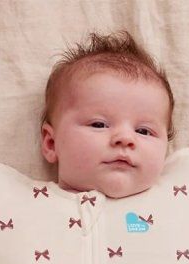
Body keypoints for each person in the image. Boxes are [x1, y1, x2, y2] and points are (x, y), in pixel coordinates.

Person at [39, 30, 176, 199]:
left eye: (143, 131)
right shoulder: (23, 199)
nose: (125, 138)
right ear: (51, 143)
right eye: (99, 125)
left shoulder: (180, 196)